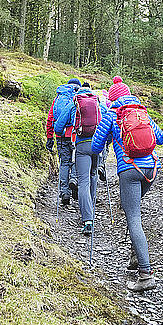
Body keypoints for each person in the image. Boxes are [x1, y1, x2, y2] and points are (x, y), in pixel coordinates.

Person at [91, 76, 163, 292]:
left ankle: (145, 274)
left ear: (112, 98)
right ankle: (135, 257)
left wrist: (111, 139)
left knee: (133, 217)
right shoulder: (142, 112)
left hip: (130, 170)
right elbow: (159, 139)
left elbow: (96, 146)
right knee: (134, 212)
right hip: (151, 169)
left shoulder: (111, 114)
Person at [54, 86, 107, 236]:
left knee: (83, 181)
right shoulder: (98, 103)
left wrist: (67, 133)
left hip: (82, 145)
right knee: (93, 175)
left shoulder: (73, 103)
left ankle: (87, 220)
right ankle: (91, 209)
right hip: (98, 144)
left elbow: (58, 127)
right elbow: (109, 124)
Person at [46, 78, 81, 205]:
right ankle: (74, 180)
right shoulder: (78, 98)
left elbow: (50, 118)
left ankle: (64, 193)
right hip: (74, 135)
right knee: (76, 160)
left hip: (60, 135)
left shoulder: (58, 98)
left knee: (64, 163)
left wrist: (50, 137)